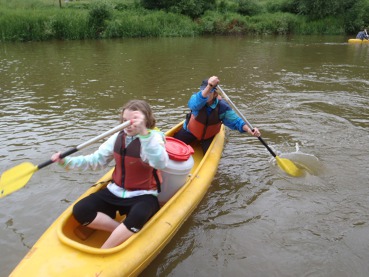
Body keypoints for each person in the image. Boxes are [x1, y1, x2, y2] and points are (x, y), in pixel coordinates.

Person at [51, 100, 169, 249]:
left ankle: (104, 250)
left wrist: (144, 134)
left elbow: (160, 163)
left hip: (143, 195)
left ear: (145, 121)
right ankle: (121, 230)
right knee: (81, 210)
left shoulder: (153, 138)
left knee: (139, 214)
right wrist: (66, 161)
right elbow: (96, 160)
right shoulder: (117, 137)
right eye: (125, 121)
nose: (128, 125)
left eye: (133, 122)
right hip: (115, 191)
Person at [174, 76, 261, 153]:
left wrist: (250, 130)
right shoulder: (197, 99)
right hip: (190, 132)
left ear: (215, 93)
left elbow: (237, 122)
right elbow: (193, 105)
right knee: (173, 145)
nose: (206, 93)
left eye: (209, 92)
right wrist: (209, 87)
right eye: (204, 90)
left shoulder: (222, 107)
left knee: (209, 152)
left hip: (208, 137)